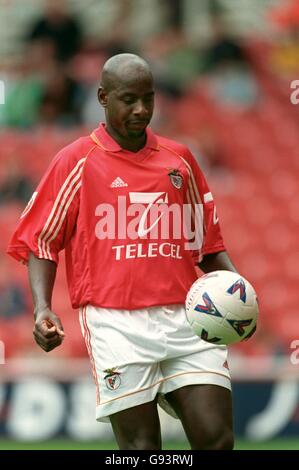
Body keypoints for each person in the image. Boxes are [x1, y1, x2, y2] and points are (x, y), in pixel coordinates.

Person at [7, 53, 237, 450]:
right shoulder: (75, 161)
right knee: (142, 450)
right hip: (116, 326)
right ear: (102, 97)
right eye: (129, 99)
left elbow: (208, 248)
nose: (141, 109)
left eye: (148, 98)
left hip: (187, 319)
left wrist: (239, 292)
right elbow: (42, 241)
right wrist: (43, 307)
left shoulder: (180, 159)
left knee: (216, 441)